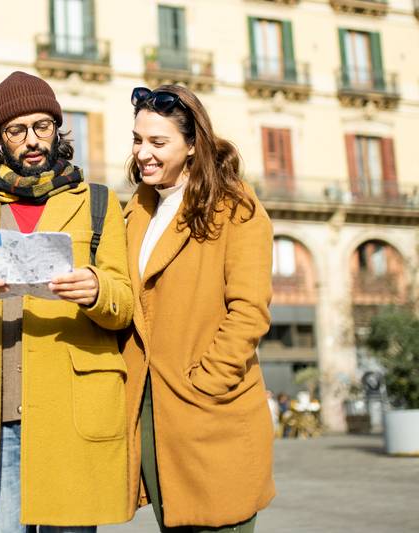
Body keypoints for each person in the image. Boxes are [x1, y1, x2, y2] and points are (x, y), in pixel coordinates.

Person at [0, 71, 134, 533]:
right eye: (16, 130)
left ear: (57, 129)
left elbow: (125, 301)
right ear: (1, 140)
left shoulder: (99, 203)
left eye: (42, 126)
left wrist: (97, 290)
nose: (32, 140)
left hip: (73, 409)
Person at [121, 85, 275, 532]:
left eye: (158, 142)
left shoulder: (236, 207)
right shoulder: (136, 212)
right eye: (137, 140)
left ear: (191, 145)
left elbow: (248, 312)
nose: (143, 153)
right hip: (154, 412)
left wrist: (206, 383)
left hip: (211, 412)